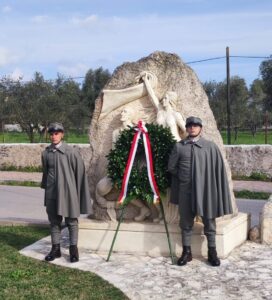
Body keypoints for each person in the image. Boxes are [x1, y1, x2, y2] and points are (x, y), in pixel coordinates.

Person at [168, 116, 232, 267]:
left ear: (200, 128)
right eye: (190, 125)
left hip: (206, 191)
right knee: (185, 222)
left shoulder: (210, 147)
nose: (192, 128)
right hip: (186, 191)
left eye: (195, 125)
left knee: (209, 221)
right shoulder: (179, 147)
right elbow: (171, 167)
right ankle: (186, 252)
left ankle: (212, 252)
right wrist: (183, 176)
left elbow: (217, 170)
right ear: (187, 128)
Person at [41, 122, 92, 263]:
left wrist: (76, 193)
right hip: (52, 193)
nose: (53, 136)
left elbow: (79, 175)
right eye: (51, 134)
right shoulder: (46, 153)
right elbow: (45, 175)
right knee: (54, 222)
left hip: (69, 193)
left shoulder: (71, 152)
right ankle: (55, 249)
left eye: (56, 133)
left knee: (71, 222)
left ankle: (73, 250)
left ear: (62, 134)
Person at [139, 71, 186, 141]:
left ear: (170, 100)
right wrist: (146, 80)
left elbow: (186, 130)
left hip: (175, 144)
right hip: (161, 145)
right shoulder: (160, 110)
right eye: (163, 98)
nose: (163, 100)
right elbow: (152, 95)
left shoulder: (176, 114)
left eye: (165, 98)